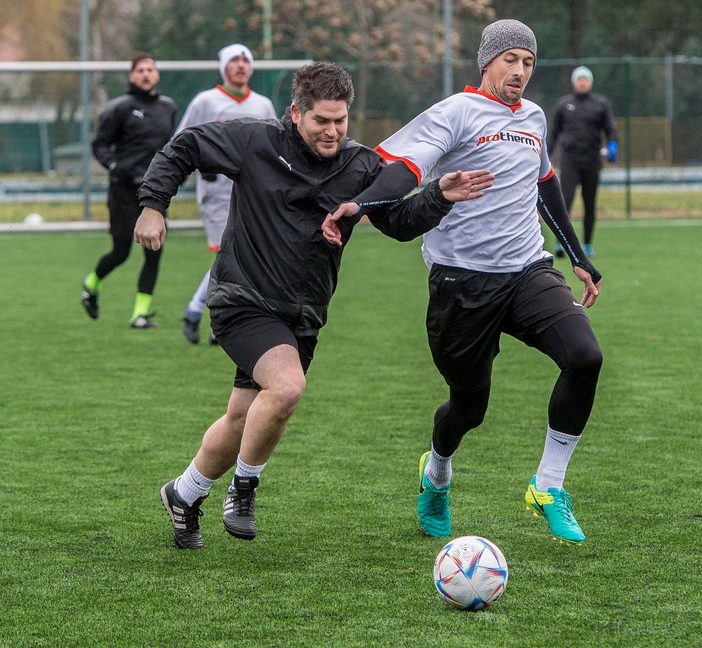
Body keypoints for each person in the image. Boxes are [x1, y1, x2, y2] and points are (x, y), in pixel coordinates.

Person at [135, 61, 493, 550]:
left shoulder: (360, 165)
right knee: (286, 388)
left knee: (244, 417)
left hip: (302, 315)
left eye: (340, 120)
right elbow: (185, 146)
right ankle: (243, 490)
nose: (331, 131)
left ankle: (183, 493)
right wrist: (154, 204)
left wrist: (439, 196)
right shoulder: (256, 142)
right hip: (243, 298)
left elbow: (399, 222)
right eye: (320, 120)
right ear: (295, 113)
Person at [326, 19, 604, 545]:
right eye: (510, 61)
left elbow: (544, 183)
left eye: (528, 62)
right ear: (487, 62)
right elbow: (402, 166)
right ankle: (437, 474)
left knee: (585, 357)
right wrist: (361, 205)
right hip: (461, 285)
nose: (519, 72)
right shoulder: (456, 111)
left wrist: (578, 256)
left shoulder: (535, 118)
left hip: (527, 271)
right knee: (468, 409)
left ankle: (548, 486)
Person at [177, 43, 277, 344]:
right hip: (217, 192)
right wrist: (196, 166)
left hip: (252, 191)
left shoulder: (262, 105)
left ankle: (202, 313)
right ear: (224, 67)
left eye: (246, 60)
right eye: (234, 60)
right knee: (229, 254)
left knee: (242, 256)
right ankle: (207, 316)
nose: (241, 65)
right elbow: (182, 141)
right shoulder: (205, 101)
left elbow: (274, 144)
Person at [82, 53, 176, 328]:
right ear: (131, 76)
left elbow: (171, 144)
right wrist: (115, 166)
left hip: (155, 192)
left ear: (157, 75)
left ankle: (140, 314)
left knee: (155, 250)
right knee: (121, 252)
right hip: (123, 190)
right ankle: (91, 284)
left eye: (151, 69)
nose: (146, 74)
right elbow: (99, 145)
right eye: (140, 70)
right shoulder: (119, 108)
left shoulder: (168, 107)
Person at [547, 65, 619, 258]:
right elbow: (553, 132)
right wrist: (546, 153)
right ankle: (561, 243)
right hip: (570, 159)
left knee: (589, 203)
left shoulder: (601, 104)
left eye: (585, 79)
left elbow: (611, 128)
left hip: (592, 160)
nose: (582, 82)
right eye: (579, 79)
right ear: (574, 82)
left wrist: (613, 145)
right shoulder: (564, 104)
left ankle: (587, 244)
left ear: (590, 82)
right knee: (565, 201)